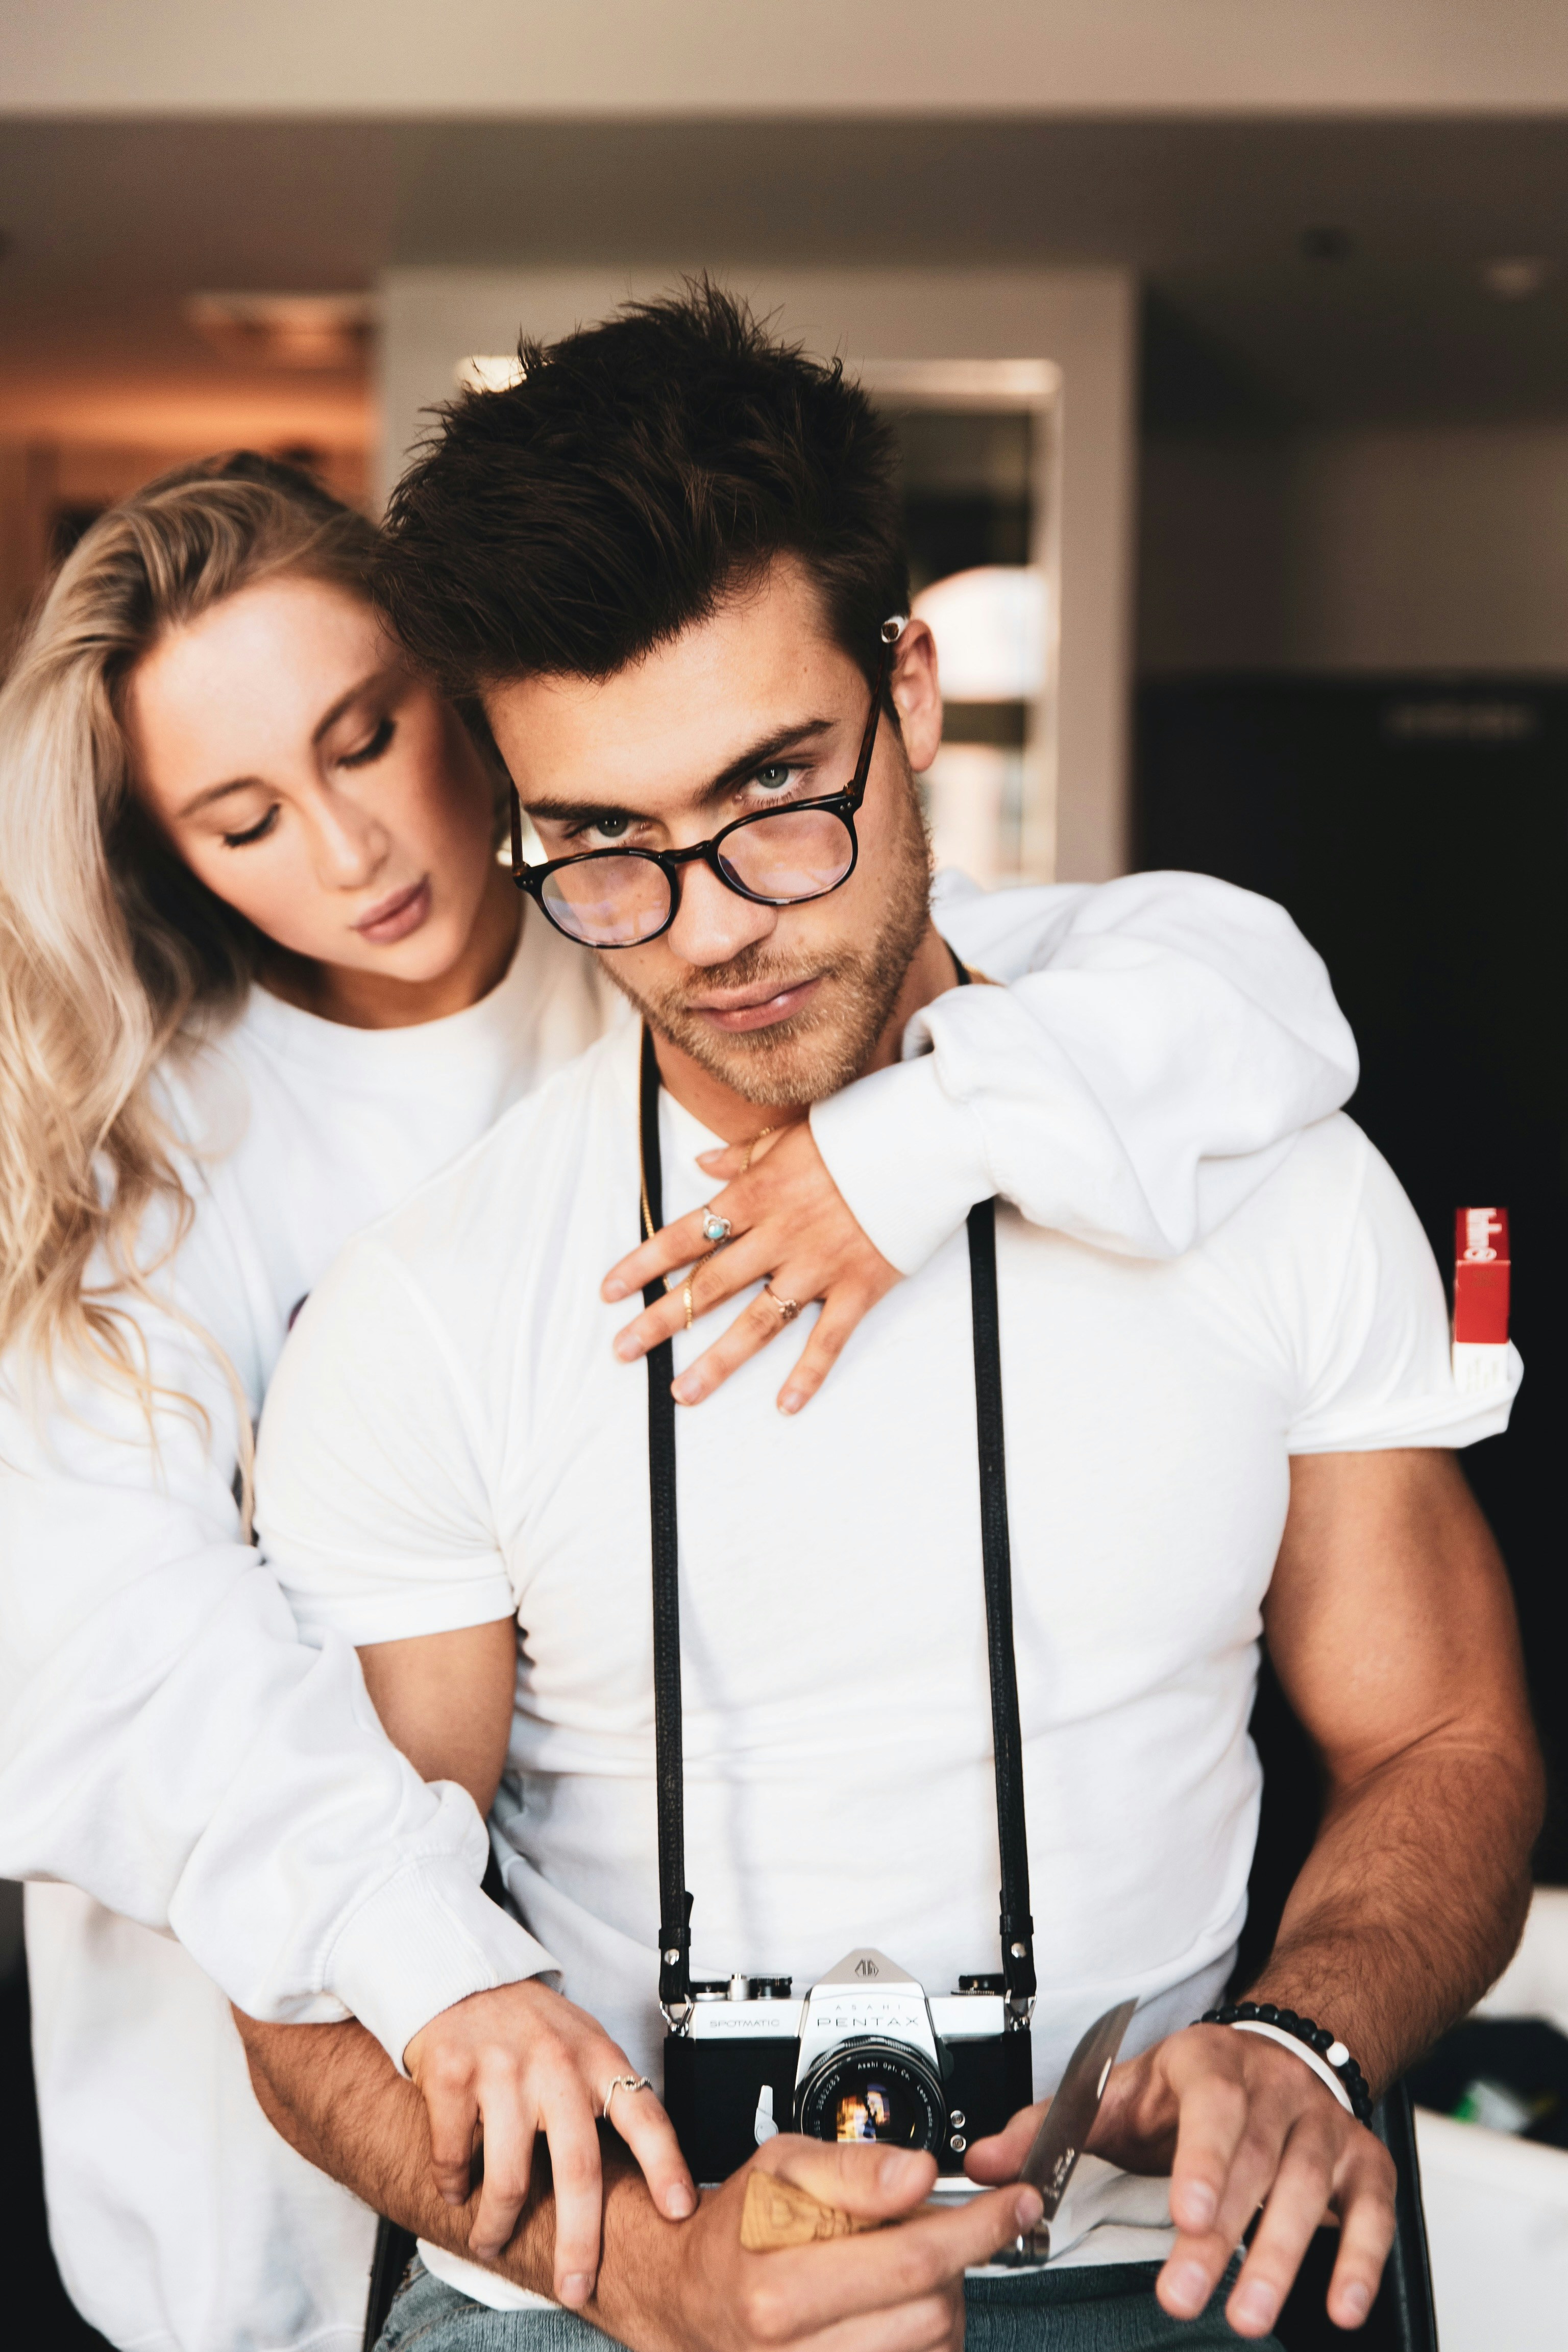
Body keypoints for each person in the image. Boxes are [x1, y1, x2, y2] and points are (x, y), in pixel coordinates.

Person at [239, 290, 1541, 2352]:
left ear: (911, 687)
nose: (721, 920)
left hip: (1164, 2252)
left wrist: (1303, 2047)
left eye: (777, 788)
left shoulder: (1260, 1173)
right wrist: (646, 2276)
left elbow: (1442, 1733)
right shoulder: (424, 1309)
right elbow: (314, 1953)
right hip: (600, 2284)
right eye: (603, 843)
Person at [0, 450, 1363, 2352]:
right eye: (241, 819)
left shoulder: (693, 946)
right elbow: (118, 1654)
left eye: (369, 738)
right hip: (329, 2134)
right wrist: (429, 1967)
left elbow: (1232, 985)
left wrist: (906, 1152)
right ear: (166, 855)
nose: (352, 849)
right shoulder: (139, 1164)